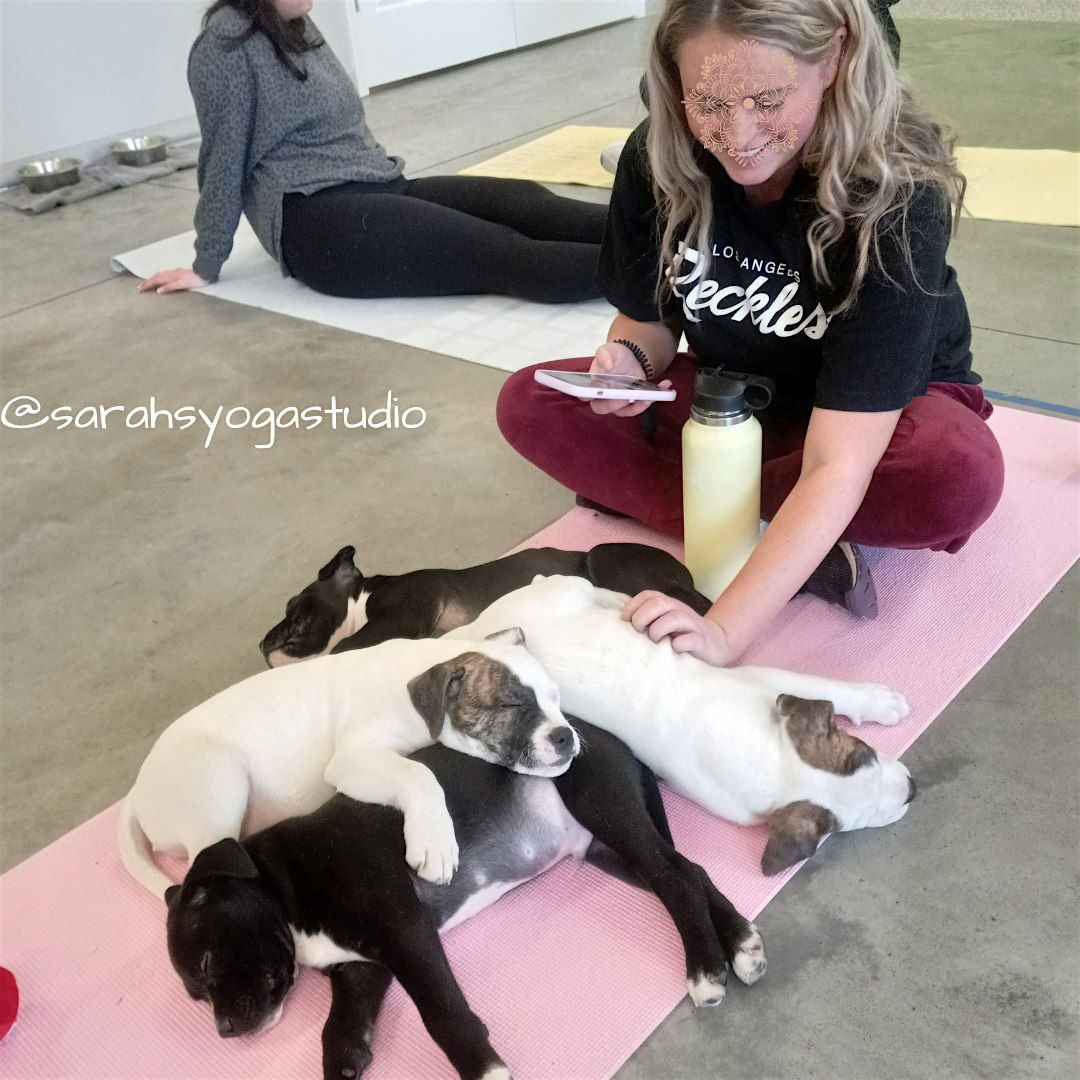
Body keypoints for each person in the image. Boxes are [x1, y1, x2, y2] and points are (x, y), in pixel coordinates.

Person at [496, 0, 1004, 667]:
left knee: (952, 474)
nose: (737, 135)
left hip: (875, 422)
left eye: (767, 100)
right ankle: (799, 543)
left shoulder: (897, 191)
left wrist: (725, 629)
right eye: (707, 102)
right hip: (732, 402)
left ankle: (731, 520)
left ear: (835, 57)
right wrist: (628, 361)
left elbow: (841, 459)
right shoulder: (658, 153)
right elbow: (649, 322)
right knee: (532, 402)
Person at [138, 0, 606, 303]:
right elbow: (223, 159)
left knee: (523, 200)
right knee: (502, 250)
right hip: (315, 220)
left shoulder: (293, 22)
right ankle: (650, 280)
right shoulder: (223, 46)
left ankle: (655, 233)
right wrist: (206, 261)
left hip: (381, 184)